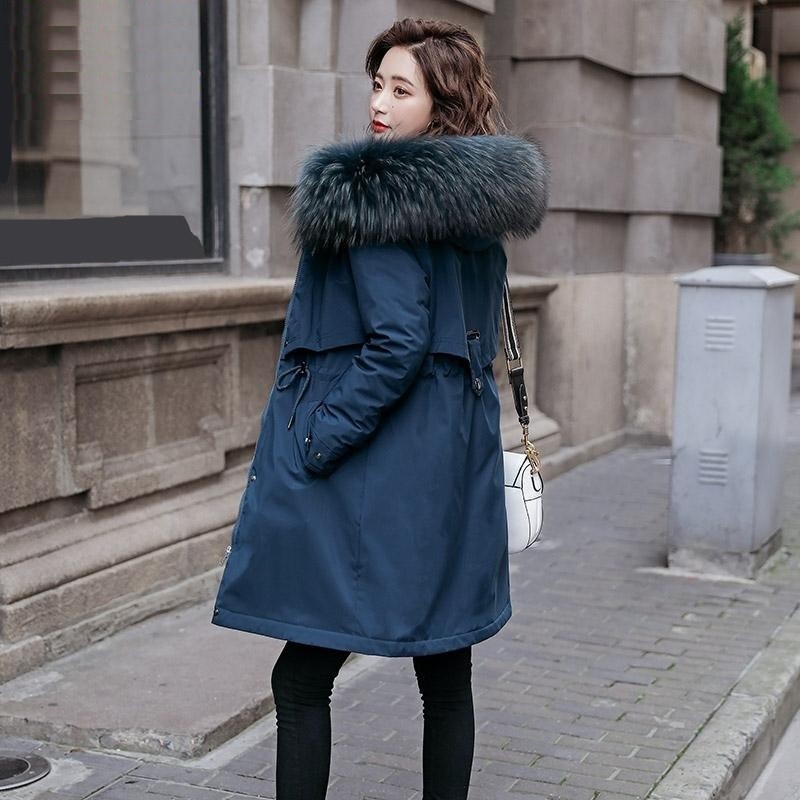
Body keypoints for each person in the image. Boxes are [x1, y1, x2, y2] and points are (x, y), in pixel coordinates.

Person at [212, 17, 549, 800]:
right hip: (452, 462)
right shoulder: (475, 211)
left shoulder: (378, 198)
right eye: (377, 84)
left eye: (402, 90)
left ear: (441, 105)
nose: (379, 104)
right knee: (446, 670)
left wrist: (319, 437)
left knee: (301, 677)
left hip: (378, 471)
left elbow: (397, 342)